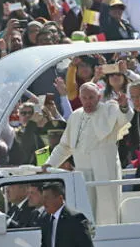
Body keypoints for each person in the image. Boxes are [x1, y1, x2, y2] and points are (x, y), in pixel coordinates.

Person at [43, 82, 133, 224]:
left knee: (107, 207)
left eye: (91, 97)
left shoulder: (109, 110)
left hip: (105, 169)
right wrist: (49, 164)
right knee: (85, 209)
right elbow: (65, 146)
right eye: (84, 98)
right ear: (80, 98)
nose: (88, 101)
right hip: (82, 170)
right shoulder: (75, 115)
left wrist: (123, 106)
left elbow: (124, 119)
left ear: (98, 97)